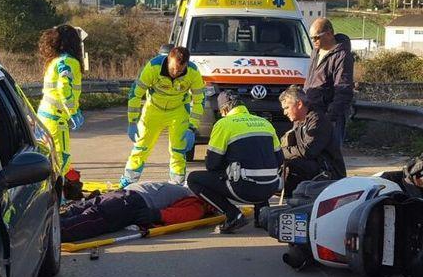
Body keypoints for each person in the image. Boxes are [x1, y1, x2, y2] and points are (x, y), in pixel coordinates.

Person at [186, 90, 282, 234]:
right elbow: (279, 159)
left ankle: (232, 214)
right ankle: (261, 213)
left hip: (244, 189)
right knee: (257, 165)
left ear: (224, 109)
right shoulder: (265, 123)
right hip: (270, 187)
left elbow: (212, 164)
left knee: (193, 179)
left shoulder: (224, 124)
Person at [120, 46, 205, 187]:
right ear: (168, 60)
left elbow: (199, 101)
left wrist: (192, 128)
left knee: (178, 151)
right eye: (173, 69)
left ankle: (176, 185)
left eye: (180, 70)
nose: (175, 73)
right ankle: (128, 182)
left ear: (186, 64)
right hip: (153, 110)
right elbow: (135, 94)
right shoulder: (153, 67)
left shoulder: (193, 72)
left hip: (178, 112)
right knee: (141, 148)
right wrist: (132, 121)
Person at [60, 181, 211, 242]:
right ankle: (50, 234)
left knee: (83, 208)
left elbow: (183, 213)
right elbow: (188, 214)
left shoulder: (183, 190)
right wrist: (158, 215)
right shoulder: (197, 201)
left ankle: (48, 223)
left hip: (124, 193)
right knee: (93, 219)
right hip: (133, 202)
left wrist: (157, 215)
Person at [278, 85, 346, 197]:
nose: (285, 113)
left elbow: (307, 151)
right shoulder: (300, 121)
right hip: (314, 168)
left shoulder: (318, 120)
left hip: (329, 174)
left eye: (287, 108)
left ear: (299, 104)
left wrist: (281, 153)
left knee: (291, 165)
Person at [36, 25, 84, 175]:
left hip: (45, 115)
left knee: (48, 157)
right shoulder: (69, 62)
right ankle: (60, 195)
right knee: (62, 158)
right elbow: (64, 88)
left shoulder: (55, 61)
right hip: (57, 118)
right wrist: (73, 111)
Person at [304, 18, 354, 146]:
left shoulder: (342, 55)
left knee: (331, 154)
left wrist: (330, 117)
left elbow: (343, 89)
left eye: (317, 37)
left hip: (329, 115)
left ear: (329, 33)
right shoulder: (315, 51)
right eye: (312, 38)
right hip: (311, 112)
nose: (314, 41)